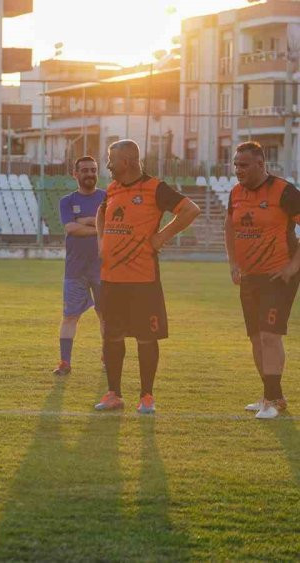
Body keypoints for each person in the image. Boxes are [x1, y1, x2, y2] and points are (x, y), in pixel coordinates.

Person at [94, 139, 200, 413]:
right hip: (111, 279)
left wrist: (162, 236)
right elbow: (101, 213)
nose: (108, 165)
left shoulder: (155, 188)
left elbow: (190, 210)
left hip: (143, 280)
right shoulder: (112, 188)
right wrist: (101, 241)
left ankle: (146, 396)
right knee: (111, 336)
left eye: (111, 160)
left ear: (126, 161)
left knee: (146, 337)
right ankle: (113, 394)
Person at [225, 141, 300, 419]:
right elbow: (229, 226)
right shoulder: (235, 193)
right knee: (256, 338)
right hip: (250, 276)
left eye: (243, 165)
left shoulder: (284, 191)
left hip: (278, 275)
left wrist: (293, 266)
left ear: (260, 164)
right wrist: (233, 262)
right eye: (235, 165)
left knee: (269, 336)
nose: (238, 170)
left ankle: (271, 401)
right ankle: (272, 396)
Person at [53, 156, 106, 376]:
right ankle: (65, 362)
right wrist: (98, 226)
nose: (90, 174)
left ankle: (108, 358)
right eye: (85, 170)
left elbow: (110, 226)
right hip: (75, 270)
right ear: (75, 174)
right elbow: (71, 229)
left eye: (93, 170)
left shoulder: (107, 198)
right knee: (70, 316)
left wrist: (83, 221)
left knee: (106, 316)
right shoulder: (67, 201)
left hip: (104, 268)